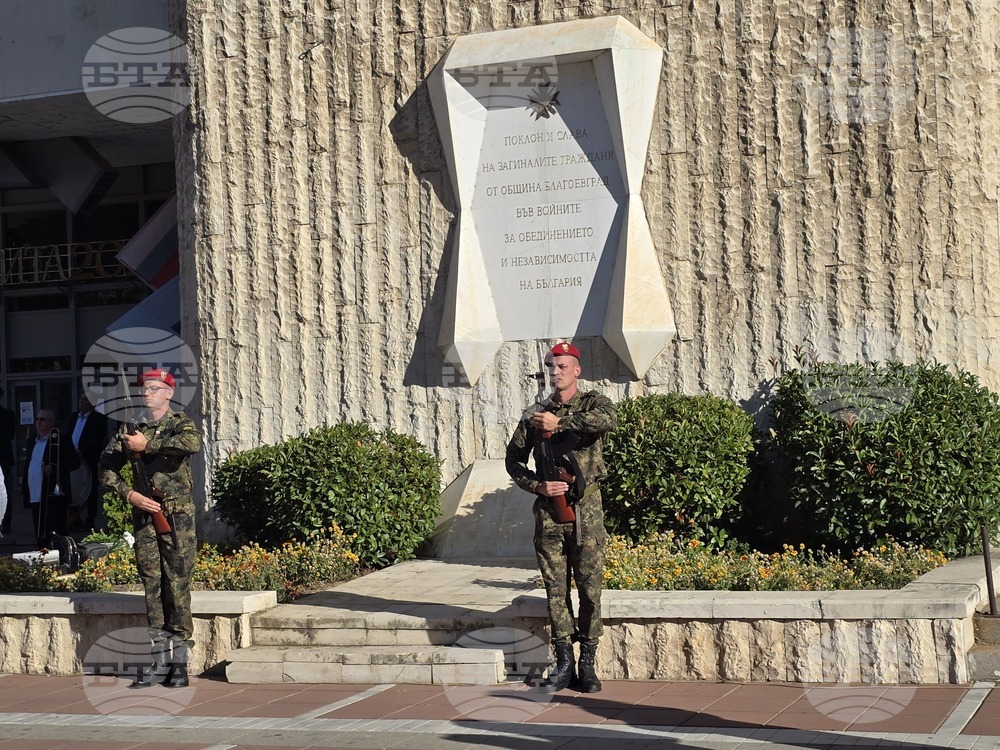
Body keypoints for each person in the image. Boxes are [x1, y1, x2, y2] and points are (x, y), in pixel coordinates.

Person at [505, 342, 617, 693]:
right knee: (556, 591)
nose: (556, 372)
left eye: (563, 366)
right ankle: (564, 659)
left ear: (577, 370)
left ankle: (588, 662)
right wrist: (537, 486)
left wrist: (561, 421)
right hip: (550, 515)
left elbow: (608, 420)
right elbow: (513, 461)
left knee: (590, 589)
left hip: (587, 511)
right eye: (551, 366)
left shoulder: (594, 403)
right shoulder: (534, 415)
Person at [99, 369, 201, 689]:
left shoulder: (179, 422)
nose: (148, 393)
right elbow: (105, 466)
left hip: (176, 517)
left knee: (178, 585)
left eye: (155, 388)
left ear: (168, 394)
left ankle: (180, 663)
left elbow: (192, 443)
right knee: (152, 586)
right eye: (145, 388)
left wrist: (149, 443)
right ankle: (158, 661)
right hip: (145, 517)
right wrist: (131, 495)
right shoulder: (130, 429)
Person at [21, 410, 78, 548]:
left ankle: (63, 558)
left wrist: (54, 468)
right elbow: (29, 464)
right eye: (37, 419)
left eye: (43, 419)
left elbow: (75, 462)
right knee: (40, 531)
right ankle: (43, 559)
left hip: (53, 493)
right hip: (35, 492)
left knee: (57, 529)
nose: (39, 422)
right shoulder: (31, 441)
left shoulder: (61, 439)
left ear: (51, 422)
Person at [69, 392, 109, 530]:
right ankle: (74, 517)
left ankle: (90, 520)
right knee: (72, 487)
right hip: (73, 459)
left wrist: (83, 451)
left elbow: (97, 439)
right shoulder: (74, 417)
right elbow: (69, 434)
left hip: (89, 459)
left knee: (91, 490)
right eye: (81, 399)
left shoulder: (98, 418)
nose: (82, 402)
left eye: (85, 400)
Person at [0, 388, 16, 534]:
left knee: (4, 489)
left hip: (2, 457)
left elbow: (10, 435)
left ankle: (6, 521)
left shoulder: (8, 415)